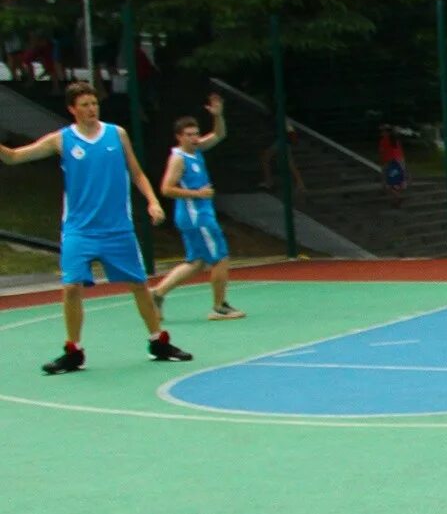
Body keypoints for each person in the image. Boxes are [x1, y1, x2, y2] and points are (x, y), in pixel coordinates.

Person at [0, 81, 193, 373]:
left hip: (117, 228)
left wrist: (153, 201)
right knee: (71, 286)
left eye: (94, 104)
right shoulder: (62, 140)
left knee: (139, 285)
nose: (92, 109)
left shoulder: (117, 134)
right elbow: (14, 157)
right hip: (79, 229)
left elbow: (137, 172)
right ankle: (74, 352)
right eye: (85, 105)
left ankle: (158, 342)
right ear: (72, 109)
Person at [152, 95, 244, 321]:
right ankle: (219, 306)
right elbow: (166, 188)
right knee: (220, 257)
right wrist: (198, 194)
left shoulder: (197, 150)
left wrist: (218, 115)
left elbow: (220, 135)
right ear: (179, 137)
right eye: (189, 135)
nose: (194, 138)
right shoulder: (179, 159)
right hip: (197, 217)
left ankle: (157, 294)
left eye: (196, 134)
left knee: (196, 262)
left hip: (196, 216)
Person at [259, 122, 306, 196]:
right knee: (289, 163)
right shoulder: (281, 118)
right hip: (282, 141)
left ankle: (269, 181)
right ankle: (300, 184)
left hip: (282, 141)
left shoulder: (284, 119)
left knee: (266, 158)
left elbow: (290, 130)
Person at [376, 124, 408, 205]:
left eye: (382, 131)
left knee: (388, 180)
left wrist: (382, 160)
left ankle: (397, 197)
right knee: (398, 180)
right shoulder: (395, 139)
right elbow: (400, 151)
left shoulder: (384, 140)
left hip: (390, 162)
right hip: (400, 161)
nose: (381, 133)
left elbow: (382, 152)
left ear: (386, 132)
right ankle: (396, 198)